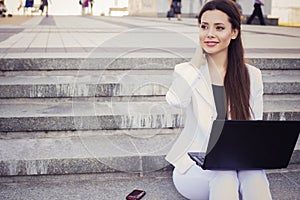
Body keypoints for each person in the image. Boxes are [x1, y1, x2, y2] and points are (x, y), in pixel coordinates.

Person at [165, 0, 272, 199]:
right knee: (225, 176)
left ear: (234, 33)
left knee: (256, 175)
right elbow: (176, 100)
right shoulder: (187, 71)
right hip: (195, 165)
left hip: (238, 160)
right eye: (204, 27)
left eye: (219, 27)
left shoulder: (252, 75)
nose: (210, 33)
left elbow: (254, 126)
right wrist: (197, 60)